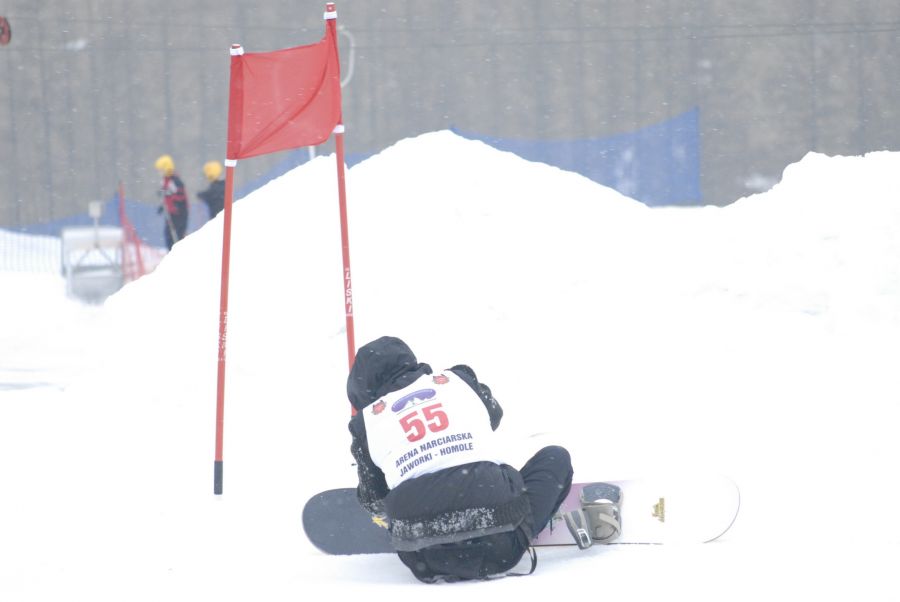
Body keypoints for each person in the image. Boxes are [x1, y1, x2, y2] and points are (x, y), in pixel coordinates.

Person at [347, 335, 577, 583]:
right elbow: (493, 415)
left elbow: (374, 499)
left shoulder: (365, 423)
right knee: (556, 457)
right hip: (501, 550)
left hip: (423, 560)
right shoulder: (458, 380)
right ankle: (517, 525)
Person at [154, 154, 188, 250]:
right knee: (168, 237)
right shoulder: (164, 181)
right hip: (170, 214)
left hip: (179, 214)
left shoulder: (175, 180)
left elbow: (180, 196)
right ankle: (170, 254)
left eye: (161, 170)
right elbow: (165, 194)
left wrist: (168, 193)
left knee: (177, 238)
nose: (160, 172)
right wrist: (162, 205)